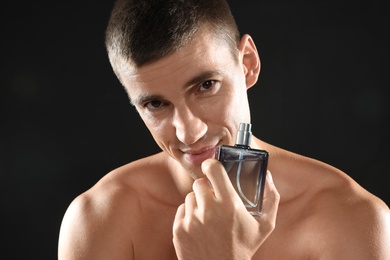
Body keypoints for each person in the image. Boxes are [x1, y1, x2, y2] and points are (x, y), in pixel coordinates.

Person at [58, 0, 390, 259]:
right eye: (156, 104)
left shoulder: (354, 219)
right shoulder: (100, 218)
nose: (189, 133)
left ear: (247, 63)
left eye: (206, 85)